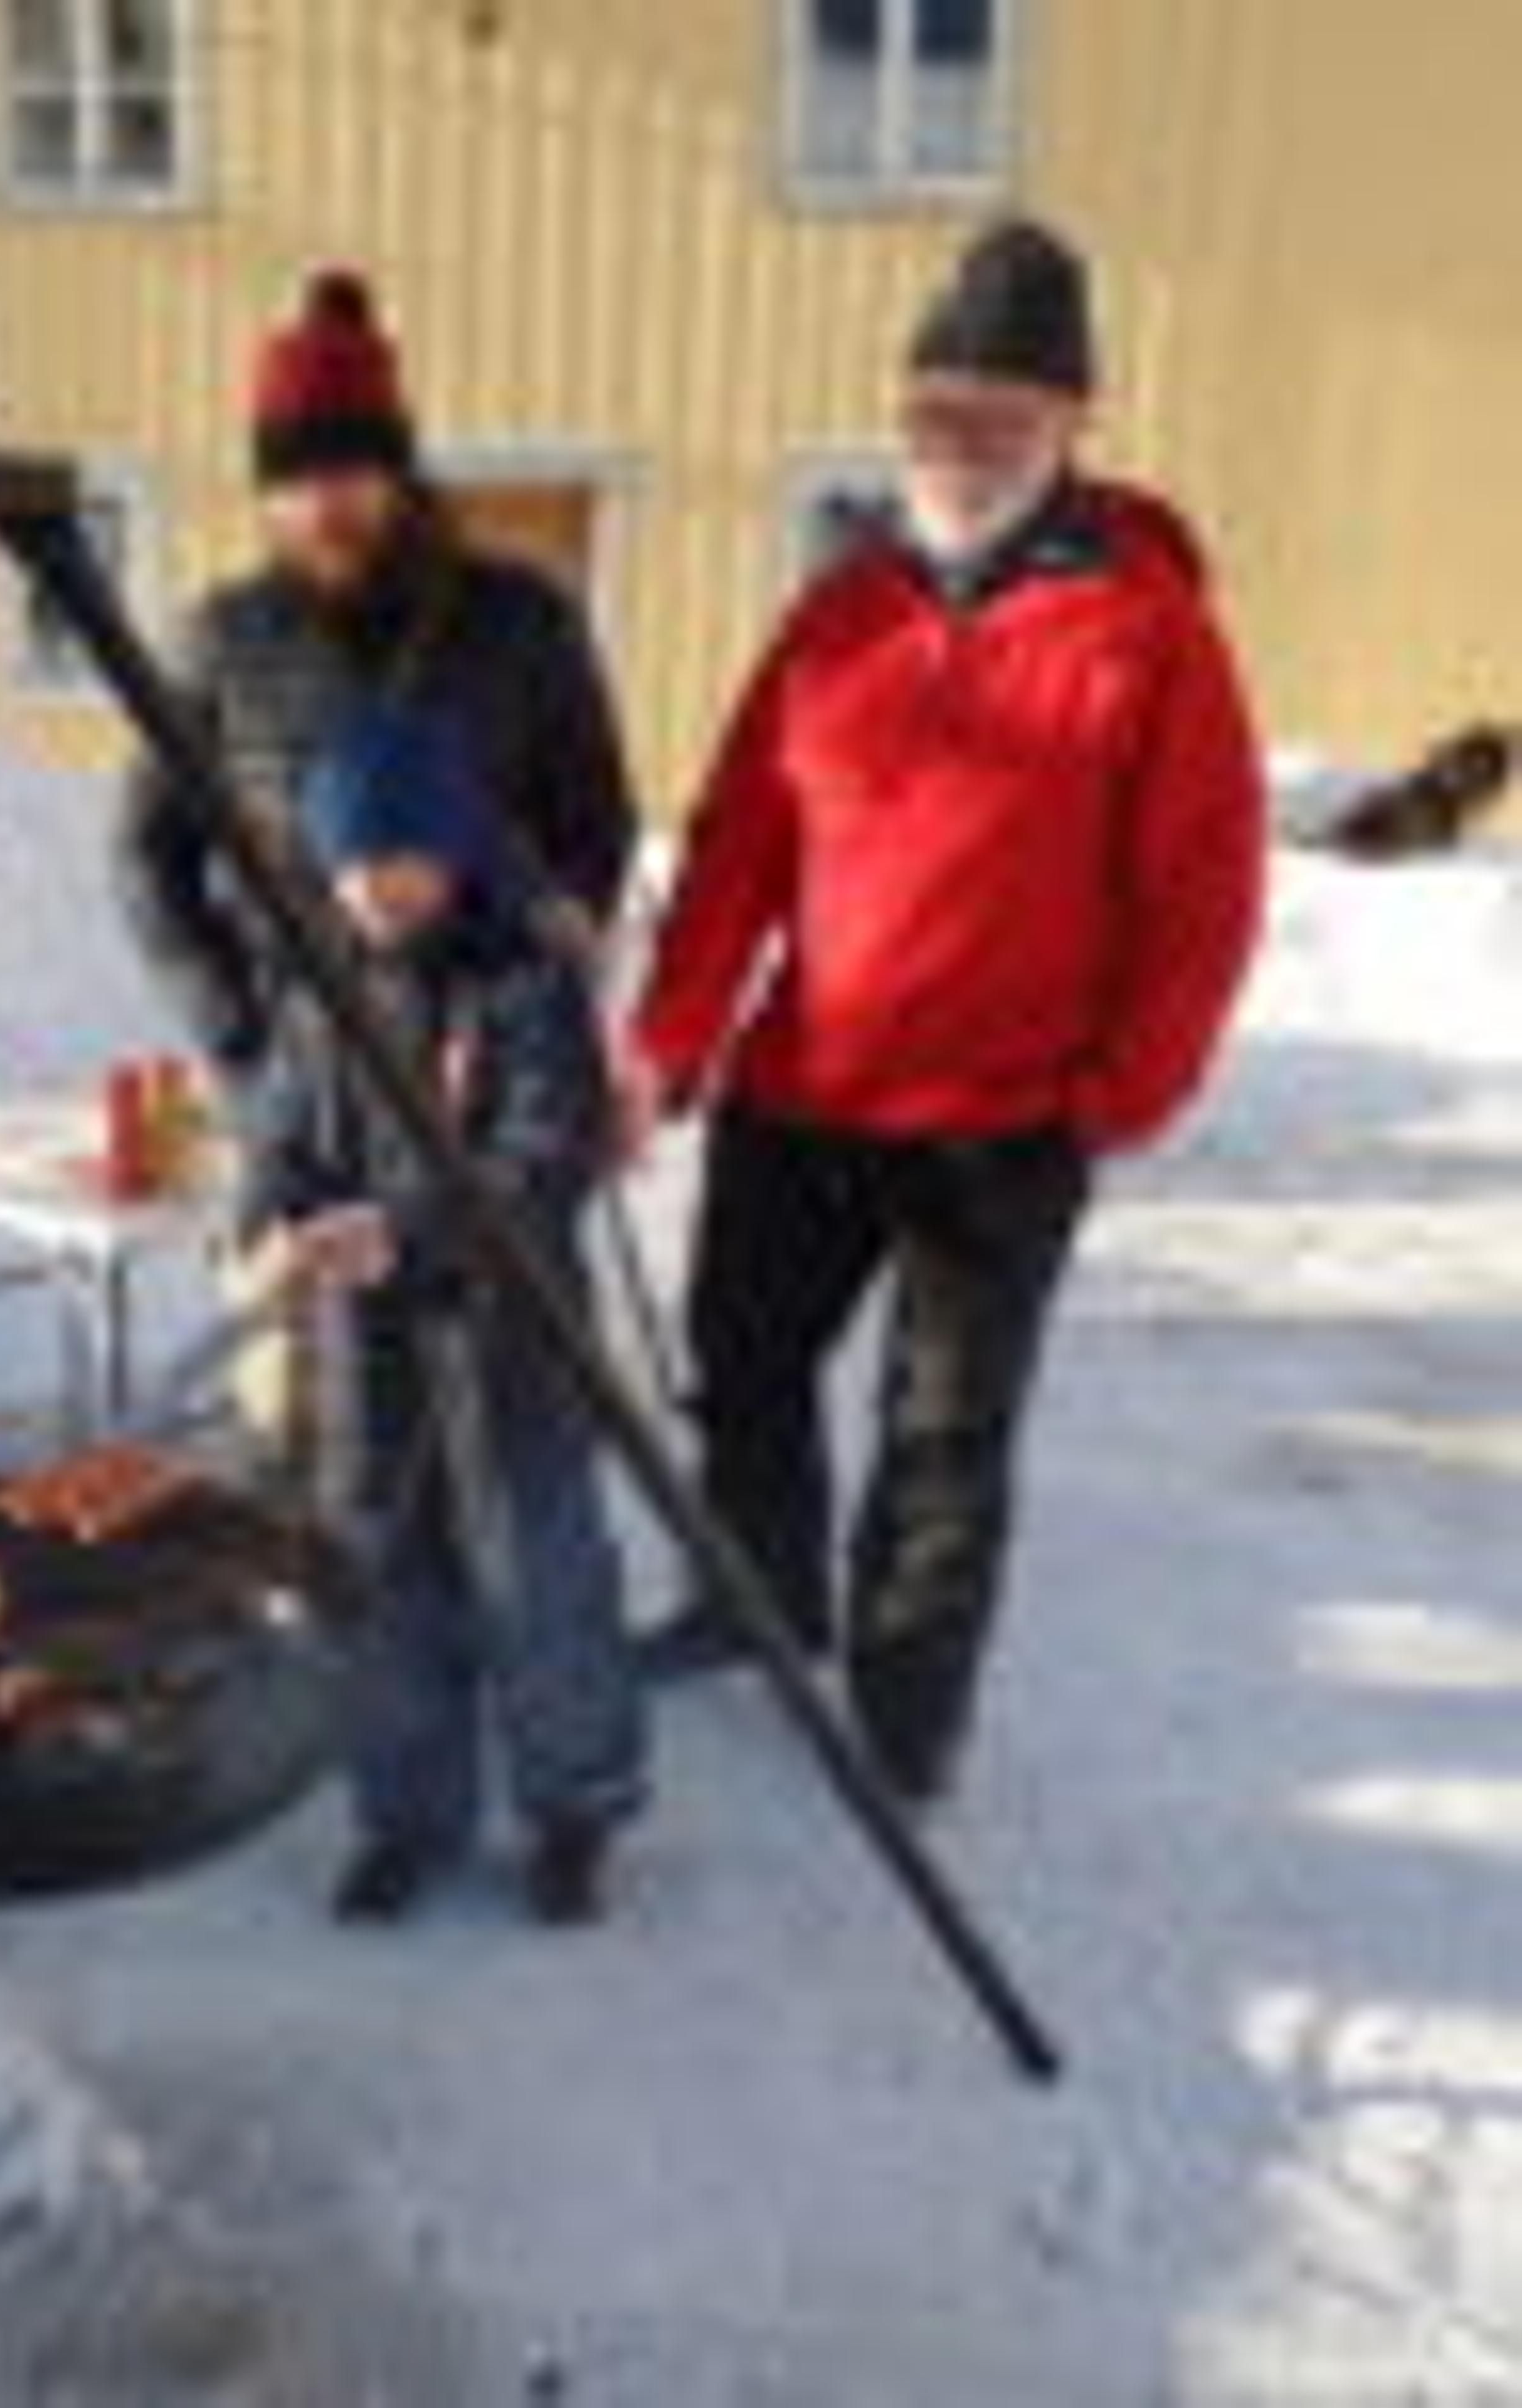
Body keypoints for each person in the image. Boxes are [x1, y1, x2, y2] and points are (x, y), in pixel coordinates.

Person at [623, 218, 1267, 1806]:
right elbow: (739, 843)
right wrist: (670, 1038)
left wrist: (1121, 1093)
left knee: (944, 1441)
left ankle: (909, 1714)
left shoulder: (1148, 632)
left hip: (1001, 1122)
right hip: (802, 1093)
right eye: (935, 410)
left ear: (1071, 423)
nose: (960, 441)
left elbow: (1205, 888)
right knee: (742, 1365)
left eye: (999, 413)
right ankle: (757, 1600)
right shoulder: (841, 610)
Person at [118, 267, 640, 1476]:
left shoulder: (520, 621)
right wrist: (240, 1034)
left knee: (513, 1406)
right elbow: (147, 851)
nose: (324, 506)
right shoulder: (222, 640)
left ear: (400, 472)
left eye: (348, 473)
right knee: (335, 1415)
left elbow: (596, 818)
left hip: (487, 1068)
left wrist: (552, 964)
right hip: (310, 1076)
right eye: (294, 481)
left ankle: (524, 1582)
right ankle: (356, 1581)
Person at [242, 705, 648, 1928]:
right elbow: (282, 1130)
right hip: (367, 1341)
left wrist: (405, 1229)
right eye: (358, 862)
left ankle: (574, 1808)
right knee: (381, 1577)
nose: (382, 886)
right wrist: (278, 1218)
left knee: (541, 1573)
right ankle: (407, 1816)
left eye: (407, 857)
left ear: (457, 850)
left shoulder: (524, 977)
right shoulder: (316, 984)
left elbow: (546, 1151)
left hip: (512, 1330)